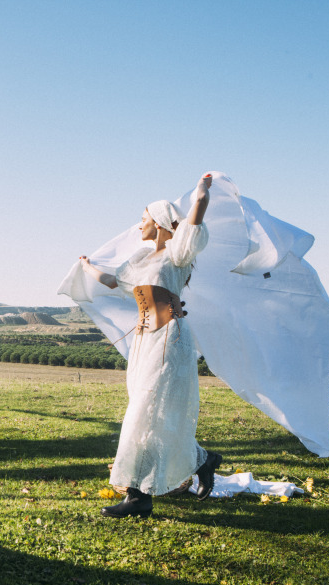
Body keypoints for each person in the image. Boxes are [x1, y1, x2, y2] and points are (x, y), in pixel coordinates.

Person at [79, 174, 222, 518]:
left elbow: (197, 211)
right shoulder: (141, 260)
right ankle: (202, 459)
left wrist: (202, 189)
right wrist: (86, 266)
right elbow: (113, 280)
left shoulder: (177, 254)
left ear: (159, 223)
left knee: (145, 410)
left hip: (169, 339)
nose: (139, 223)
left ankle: (137, 497)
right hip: (145, 342)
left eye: (144, 218)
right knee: (147, 409)